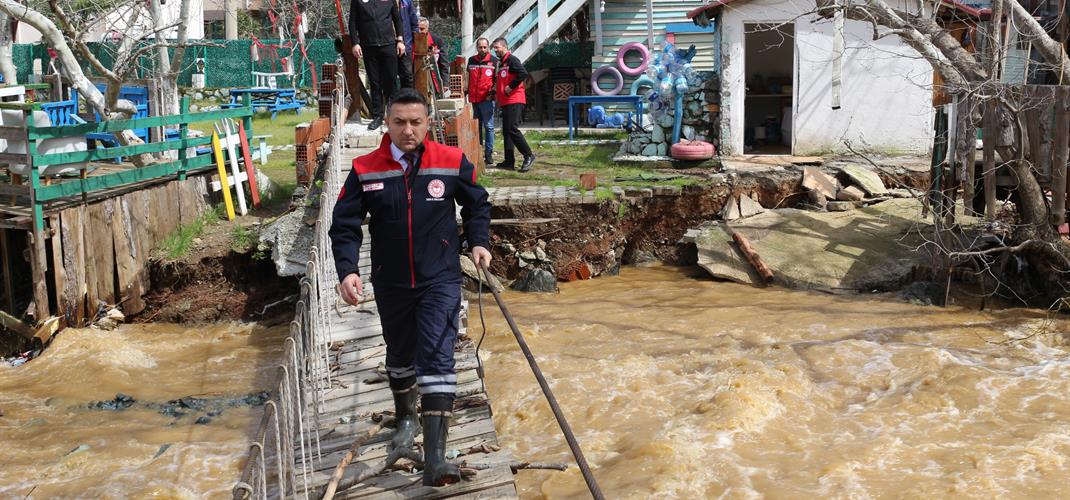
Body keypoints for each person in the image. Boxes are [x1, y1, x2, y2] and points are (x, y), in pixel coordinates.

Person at [329, 88, 493, 487]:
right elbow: (345, 223)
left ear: (427, 123)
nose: (408, 130)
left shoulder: (451, 162)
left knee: (437, 358)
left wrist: (479, 241)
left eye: (415, 122)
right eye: (399, 122)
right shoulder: (367, 168)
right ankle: (405, 418)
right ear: (387, 123)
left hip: (439, 278)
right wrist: (348, 270)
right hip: (391, 280)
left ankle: (435, 458)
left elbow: (477, 204)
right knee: (400, 352)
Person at [348, 0, 405, 130]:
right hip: (369, 46)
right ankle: (378, 116)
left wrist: (400, 40)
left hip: (388, 45)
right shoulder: (357, 1)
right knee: (375, 83)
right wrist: (355, 43)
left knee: (391, 81)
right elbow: (352, 22)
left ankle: (394, 115)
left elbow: (397, 20)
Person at [491, 38, 535, 172]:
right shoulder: (502, 62)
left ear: (504, 47)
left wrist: (511, 87)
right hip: (505, 101)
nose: (495, 50)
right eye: (494, 48)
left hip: (515, 100)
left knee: (512, 129)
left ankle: (528, 155)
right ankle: (509, 161)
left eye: (497, 47)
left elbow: (523, 73)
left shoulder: (512, 59)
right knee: (506, 132)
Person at [465, 37, 496, 166]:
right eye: (480, 47)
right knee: (476, 127)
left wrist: (492, 93)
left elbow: (497, 80)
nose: (482, 49)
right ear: (477, 47)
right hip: (474, 99)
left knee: (488, 127)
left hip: (487, 100)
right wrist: (465, 91)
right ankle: (477, 152)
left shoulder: (494, 61)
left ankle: (488, 154)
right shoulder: (471, 60)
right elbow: (467, 78)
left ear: (488, 47)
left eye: (485, 47)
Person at [416, 18, 451, 98]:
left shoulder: (437, 41)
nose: (419, 32)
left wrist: (445, 83)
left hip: (434, 81)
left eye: (422, 29)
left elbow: (444, 63)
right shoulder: (412, 41)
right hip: (418, 80)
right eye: (417, 29)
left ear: (427, 28)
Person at [397, 0, 420, 88]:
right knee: (389, 77)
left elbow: (414, 24)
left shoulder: (406, 2)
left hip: (406, 45)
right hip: (389, 44)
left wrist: (411, 44)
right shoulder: (383, 2)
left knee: (407, 76)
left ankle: (408, 100)